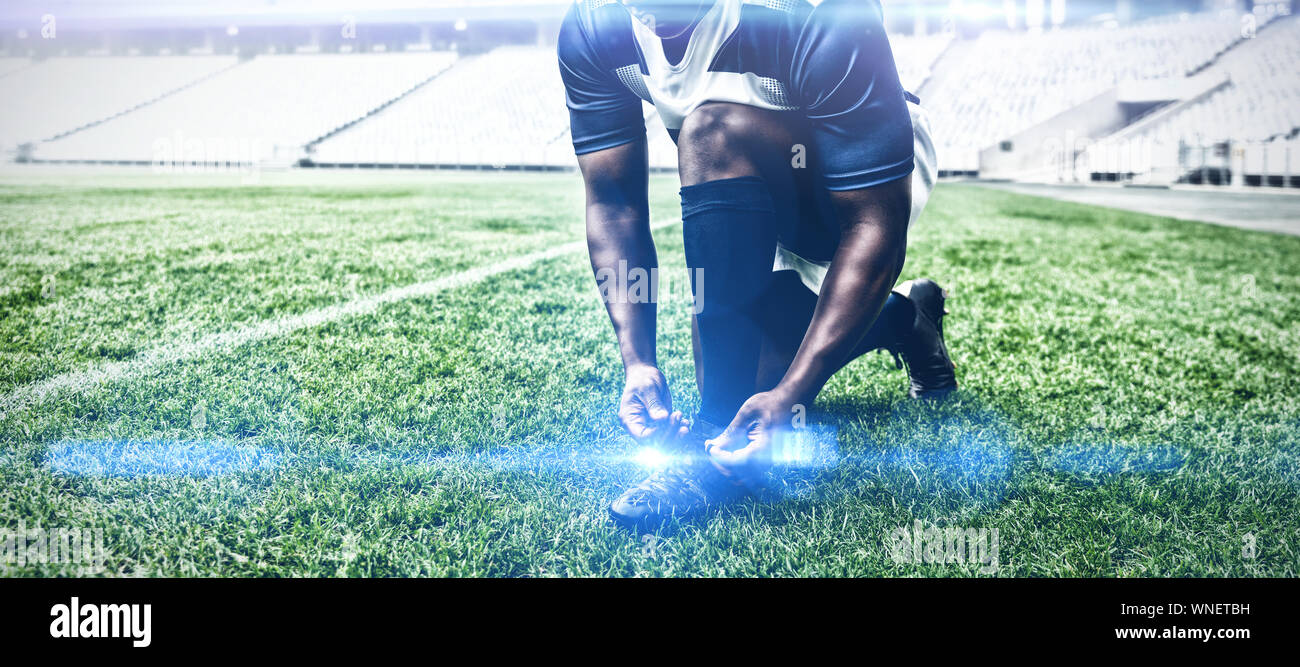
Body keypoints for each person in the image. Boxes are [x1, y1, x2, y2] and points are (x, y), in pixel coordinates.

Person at [559, 0, 956, 530]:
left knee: (711, 130)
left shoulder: (813, 11)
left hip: (852, 167)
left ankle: (710, 444)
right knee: (757, 367)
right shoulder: (593, 23)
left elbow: (872, 223)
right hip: (748, 184)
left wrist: (795, 398)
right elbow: (613, 202)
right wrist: (638, 361)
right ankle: (908, 319)